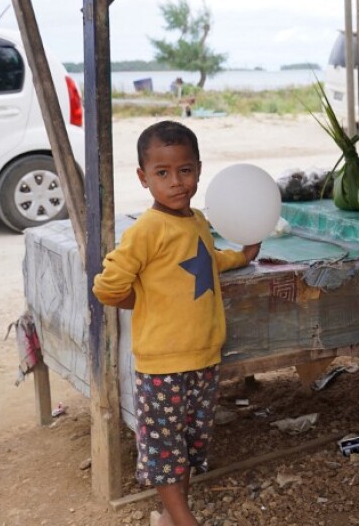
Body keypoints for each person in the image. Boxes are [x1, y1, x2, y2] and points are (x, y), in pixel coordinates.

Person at [92, 121, 260, 526]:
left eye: (184, 170)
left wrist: (240, 256)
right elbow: (107, 285)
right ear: (143, 178)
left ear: (199, 170)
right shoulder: (147, 230)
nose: (176, 182)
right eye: (162, 173)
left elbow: (207, 260)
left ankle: (168, 517)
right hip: (162, 364)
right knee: (165, 451)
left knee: (187, 444)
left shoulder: (197, 220)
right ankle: (187, 522)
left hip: (204, 355)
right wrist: (139, 299)